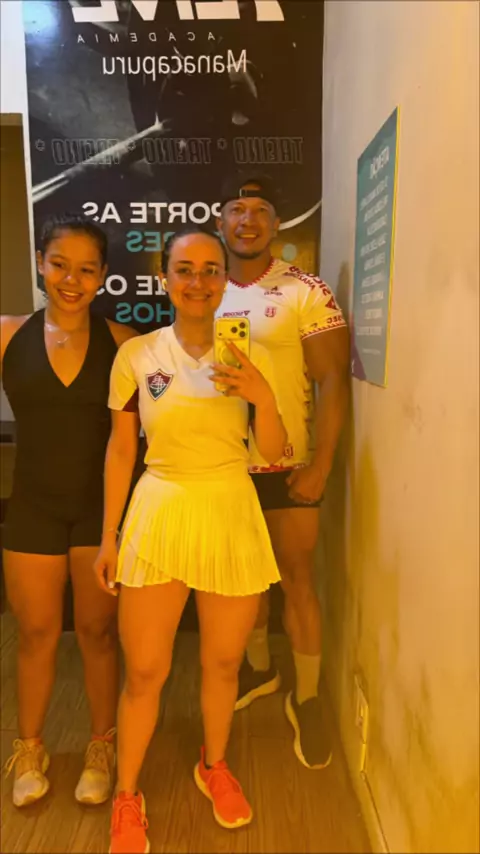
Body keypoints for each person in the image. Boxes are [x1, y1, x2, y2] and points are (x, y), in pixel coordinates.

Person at [93, 226, 286, 854]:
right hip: (160, 507)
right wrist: (108, 537)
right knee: (145, 670)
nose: (198, 281)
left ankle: (214, 764)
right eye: (185, 269)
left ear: (225, 280)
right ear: (165, 278)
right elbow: (122, 451)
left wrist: (262, 398)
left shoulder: (250, 353)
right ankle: (127, 795)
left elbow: (274, 451)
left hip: (230, 505)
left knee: (224, 662)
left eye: (210, 269)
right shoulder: (137, 355)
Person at [1, 214, 137, 808]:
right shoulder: (7, 335)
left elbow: (144, 432)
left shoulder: (124, 342)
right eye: (59, 265)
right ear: (40, 263)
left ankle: (101, 746)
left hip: (97, 513)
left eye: (86, 269)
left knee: (97, 634)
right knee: (34, 634)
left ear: (103, 274)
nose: (71, 280)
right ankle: (29, 747)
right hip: (32, 507)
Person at [217, 173, 350, 770]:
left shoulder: (304, 289)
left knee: (297, 580)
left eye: (259, 210)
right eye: (236, 209)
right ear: (220, 220)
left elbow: (333, 380)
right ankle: (261, 669)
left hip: (288, 465)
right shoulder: (201, 286)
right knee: (242, 583)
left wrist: (323, 464)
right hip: (222, 466)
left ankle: (310, 697)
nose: (247, 219)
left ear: (276, 224)